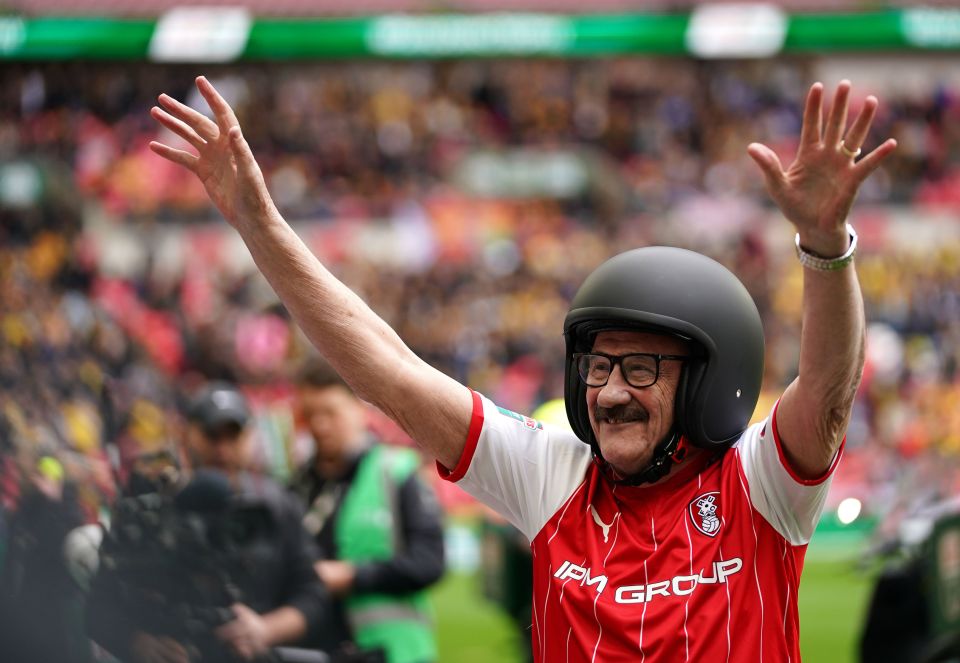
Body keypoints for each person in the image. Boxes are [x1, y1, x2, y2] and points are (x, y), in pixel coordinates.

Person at [149, 77, 896, 661]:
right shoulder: (555, 474)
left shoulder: (757, 485)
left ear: (708, 377)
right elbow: (389, 371)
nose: (608, 391)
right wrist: (259, 223)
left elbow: (827, 393)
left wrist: (826, 247)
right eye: (598, 365)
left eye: (640, 368)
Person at [87, 382, 328, 663]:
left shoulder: (274, 507)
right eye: (212, 436)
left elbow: (313, 593)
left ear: (249, 437)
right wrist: (137, 643)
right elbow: (98, 606)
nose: (223, 450)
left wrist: (265, 630)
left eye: (233, 436)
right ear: (185, 432)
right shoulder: (151, 510)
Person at [290, 360, 444, 663]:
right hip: (318, 649)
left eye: (330, 413)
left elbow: (429, 562)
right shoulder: (299, 484)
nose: (319, 425)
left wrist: (349, 576)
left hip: (395, 652)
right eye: (310, 415)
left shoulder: (397, 471)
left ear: (361, 409)